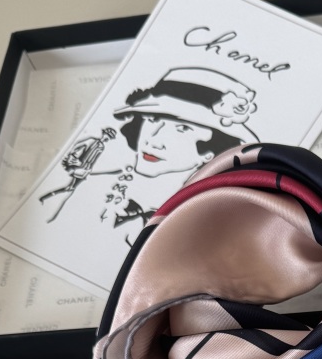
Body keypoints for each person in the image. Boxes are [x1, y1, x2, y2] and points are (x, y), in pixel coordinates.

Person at [40, 67, 259, 238]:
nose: (154, 140)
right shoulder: (89, 186)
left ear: (211, 153)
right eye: (152, 119)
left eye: (182, 128)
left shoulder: (207, 221)